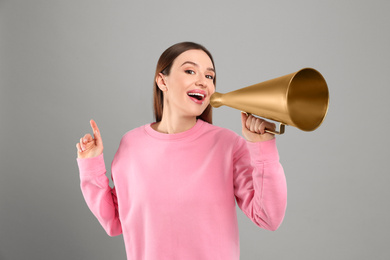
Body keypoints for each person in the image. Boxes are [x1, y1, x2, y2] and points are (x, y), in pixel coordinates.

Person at [76, 42, 287, 260]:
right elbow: (114, 222)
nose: (203, 82)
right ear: (162, 81)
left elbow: (268, 217)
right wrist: (91, 166)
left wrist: (263, 148)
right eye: (190, 71)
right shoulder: (131, 144)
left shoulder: (228, 144)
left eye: (210, 76)